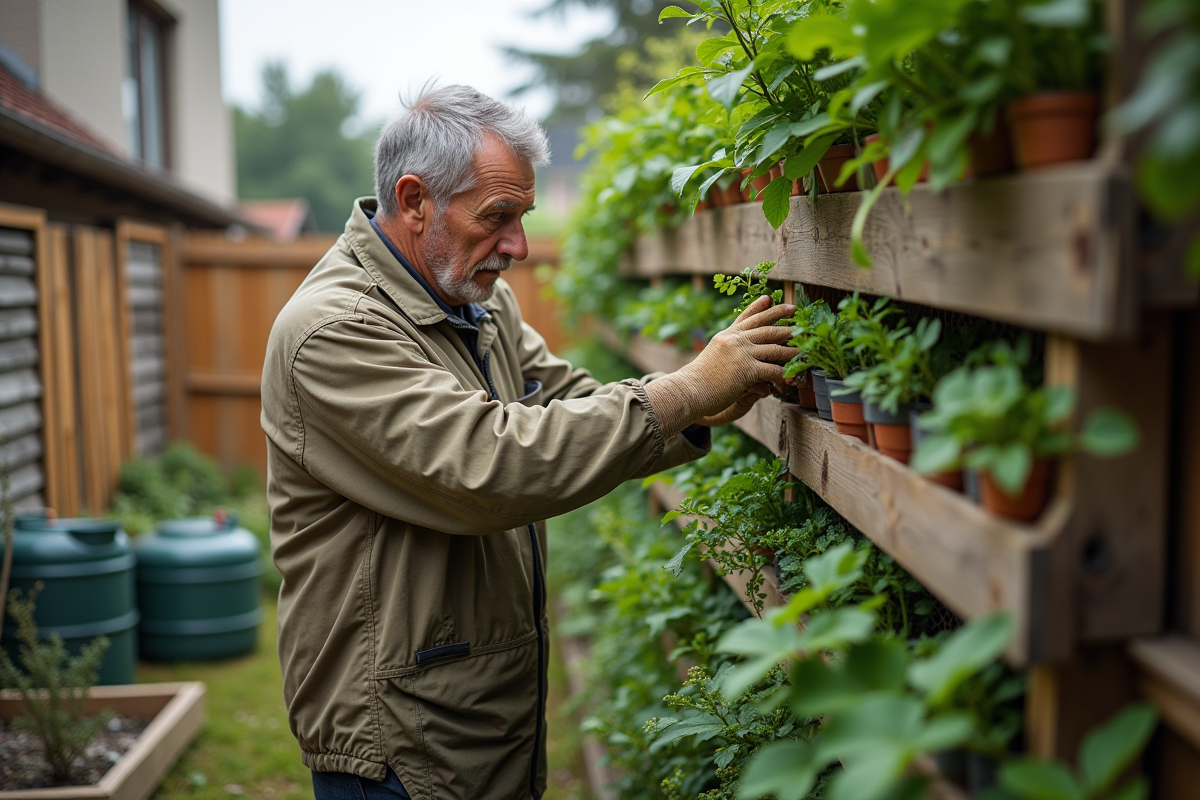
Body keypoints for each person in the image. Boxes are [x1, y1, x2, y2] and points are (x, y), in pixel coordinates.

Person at [260, 84, 796, 800]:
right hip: (397, 741)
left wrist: (701, 410)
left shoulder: (475, 303)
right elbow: (489, 465)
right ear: (415, 201)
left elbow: (562, 400)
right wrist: (684, 391)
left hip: (478, 713)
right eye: (498, 217)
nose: (518, 245)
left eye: (523, 216)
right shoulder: (334, 331)